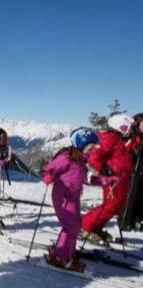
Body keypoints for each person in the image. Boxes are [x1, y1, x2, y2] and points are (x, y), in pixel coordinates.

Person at [41, 128, 99, 272]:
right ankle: (61, 256)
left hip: (73, 197)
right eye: (90, 147)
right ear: (80, 144)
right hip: (63, 197)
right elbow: (48, 168)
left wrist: (104, 180)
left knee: (75, 225)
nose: (92, 150)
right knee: (71, 226)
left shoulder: (80, 159)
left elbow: (85, 178)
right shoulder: (66, 157)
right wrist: (48, 176)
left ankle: (65, 251)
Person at [79, 114, 135, 244]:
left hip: (120, 179)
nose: (131, 130)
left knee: (116, 206)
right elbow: (93, 155)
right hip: (113, 179)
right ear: (122, 127)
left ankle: (95, 227)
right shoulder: (109, 138)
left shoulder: (117, 139)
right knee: (111, 206)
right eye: (130, 127)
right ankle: (86, 226)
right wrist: (104, 169)